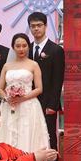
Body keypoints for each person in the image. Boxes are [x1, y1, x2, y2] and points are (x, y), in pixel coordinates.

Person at [0, 33, 49, 152]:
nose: (21, 49)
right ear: (13, 47)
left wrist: (22, 98)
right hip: (9, 106)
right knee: (7, 135)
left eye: (24, 46)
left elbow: (39, 88)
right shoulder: (7, 66)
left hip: (28, 106)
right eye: (18, 46)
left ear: (28, 47)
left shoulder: (34, 64)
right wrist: (6, 98)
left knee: (26, 136)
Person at [28, 12, 64, 149]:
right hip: (29, 101)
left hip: (47, 103)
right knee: (32, 137)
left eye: (39, 25)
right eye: (33, 26)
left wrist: (53, 105)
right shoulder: (26, 49)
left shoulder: (56, 50)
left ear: (46, 26)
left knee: (49, 137)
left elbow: (58, 80)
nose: (36, 29)